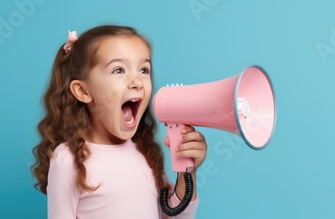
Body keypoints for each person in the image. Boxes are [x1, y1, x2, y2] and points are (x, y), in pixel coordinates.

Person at [31, 25, 207, 219]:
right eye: (118, 70)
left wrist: (188, 172)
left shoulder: (146, 152)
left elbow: (175, 215)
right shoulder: (68, 159)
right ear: (83, 91)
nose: (137, 82)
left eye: (143, 70)